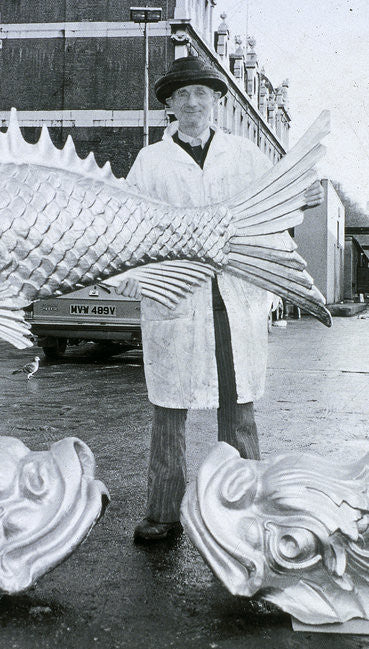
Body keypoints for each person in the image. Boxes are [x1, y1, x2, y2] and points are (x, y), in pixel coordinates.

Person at [122, 56, 323, 542]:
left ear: (217, 102)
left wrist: (300, 200)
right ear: (170, 105)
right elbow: (130, 223)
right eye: (183, 95)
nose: (193, 103)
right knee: (169, 409)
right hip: (178, 297)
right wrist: (137, 277)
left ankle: (248, 509)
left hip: (233, 296)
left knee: (238, 406)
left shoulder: (246, 155)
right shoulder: (151, 161)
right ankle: (163, 512)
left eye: (202, 94)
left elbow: (273, 217)